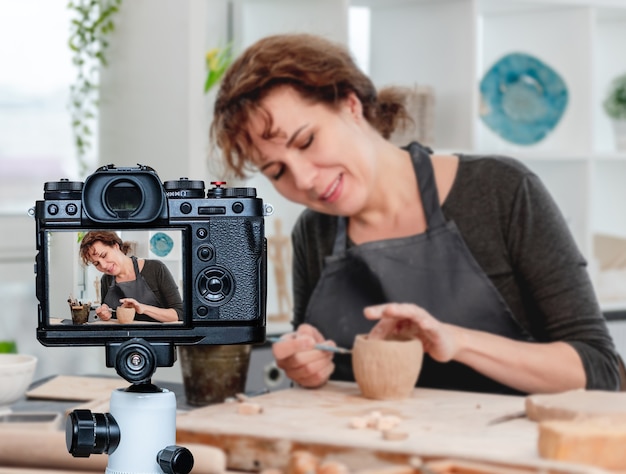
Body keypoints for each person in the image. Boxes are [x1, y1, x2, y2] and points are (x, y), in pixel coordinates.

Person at [210, 33, 622, 395]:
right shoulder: (313, 233)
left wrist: (457, 342)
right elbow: (322, 366)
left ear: (350, 105)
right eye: (276, 171)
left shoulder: (501, 191)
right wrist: (309, 367)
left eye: (306, 141)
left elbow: (601, 370)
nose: (303, 180)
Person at [79, 231, 182, 323]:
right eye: (96, 263)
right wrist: (105, 315)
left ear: (115, 246)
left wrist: (143, 308)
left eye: (104, 255)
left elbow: (179, 313)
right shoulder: (106, 280)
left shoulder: (155, 268)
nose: (104, 266)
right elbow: (109, 316)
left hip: (154, 340)